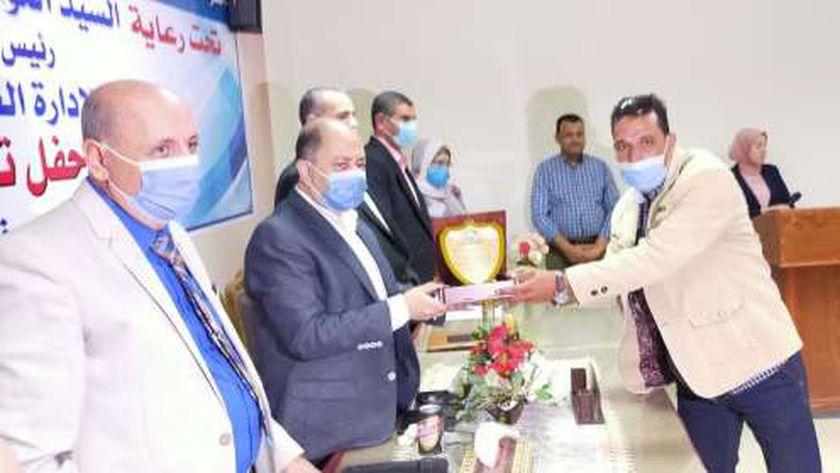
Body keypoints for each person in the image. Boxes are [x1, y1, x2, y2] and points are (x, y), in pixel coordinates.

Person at [0, 80, 315, 473]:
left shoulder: (171, 233)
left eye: (192, 145)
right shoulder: (36, 261)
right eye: (162, 150)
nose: (185, 163)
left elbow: (219, 362)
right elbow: (32, 456)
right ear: (98, 159)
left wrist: (282, 457)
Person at [504, 94, 821, 473]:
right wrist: (547, 290)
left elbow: (656, 258)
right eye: (623, 146)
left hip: (759, 360)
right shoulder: (628, 207)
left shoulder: (705, 177)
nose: (635, 156)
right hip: (697, 372)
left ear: (670, 141)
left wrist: (562, 284)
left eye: (646, 142)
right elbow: (620, 280)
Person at [244, 119, 446, 463]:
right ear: (305, 171)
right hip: (331, 431)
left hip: (383, 407)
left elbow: (376, 293)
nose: (354, 174)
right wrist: (401, 307)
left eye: (360, 164)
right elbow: (307, 334)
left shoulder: (353, 222)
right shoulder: (279, 237)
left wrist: (427, 300)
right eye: (341, 165)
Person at [275, 88, 419, 286]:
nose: (354, 123)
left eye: (354, 115)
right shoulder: (298, 178)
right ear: (312, 122)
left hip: (395, 287)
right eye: (343, 116)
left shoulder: (355, 172)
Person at [531, 113, 619, 270]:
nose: (575, 140)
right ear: (558, 138)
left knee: (606, 285)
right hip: (560, 251)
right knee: (560, 286)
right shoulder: (545, 170)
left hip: (599, 247)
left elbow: (615, 208)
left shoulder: (600, 168)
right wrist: (567, 248)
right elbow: (539, 215)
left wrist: (599, 245)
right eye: (569, 135)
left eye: (579, 134)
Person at [365, 91, 437, 281]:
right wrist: (404, 278)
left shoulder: (398, 161)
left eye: (414, 119)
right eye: (405, 119)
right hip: (406, 278)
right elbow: (384, 227)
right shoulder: (373, 161)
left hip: (423, 275)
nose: (412, 126)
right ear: (381, 122)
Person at [729, 128, 794, 219]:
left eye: (764, 146)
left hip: (777, 226)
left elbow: (788, 204)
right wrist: (767, 211)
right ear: (744, 149)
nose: (763, 150)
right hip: (745, 228)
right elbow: (732, 214)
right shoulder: (730, 177)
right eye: (758, 146)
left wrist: (787, 207)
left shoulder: (772, 171)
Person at [410, 139, 467, 218]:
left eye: (447, 164)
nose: (445, 169)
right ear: (423, 164)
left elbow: (464, 218)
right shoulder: (413, 195)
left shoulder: (451, 191)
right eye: (440, 163)